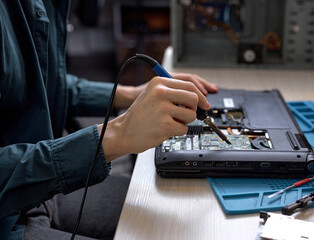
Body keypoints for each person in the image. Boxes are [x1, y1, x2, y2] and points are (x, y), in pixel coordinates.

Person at [0, 1, 218, 239]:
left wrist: (131, 95)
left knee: (175, 217)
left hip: (39, 189)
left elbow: (40, 86)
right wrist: (115, 136)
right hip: (8, 216)